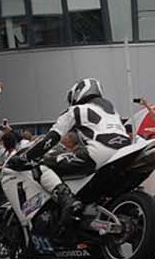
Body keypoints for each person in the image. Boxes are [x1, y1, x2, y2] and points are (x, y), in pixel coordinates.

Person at [8, 78, 137, 219]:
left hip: (99, 152)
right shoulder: (112, 111)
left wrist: (26, 157)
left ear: (77, 93)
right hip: (125, 151)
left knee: (40, 165)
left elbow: (52, 138)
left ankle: (67, 200)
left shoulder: (75, 110)